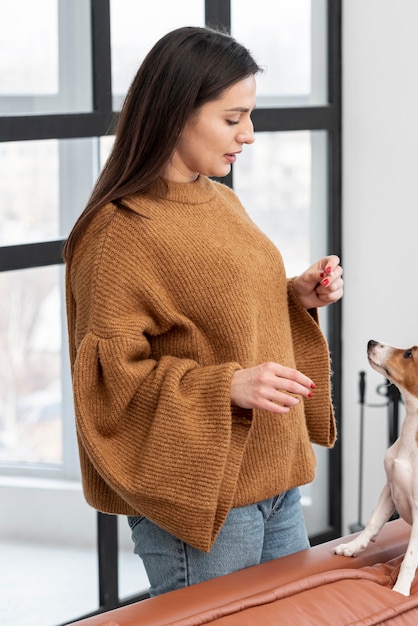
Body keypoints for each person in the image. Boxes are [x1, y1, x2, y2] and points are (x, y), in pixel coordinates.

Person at [63, 25, 343, 597]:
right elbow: (107, 381)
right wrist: (226, 389)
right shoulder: (119, 232)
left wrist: (295, 295)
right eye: (232, 117)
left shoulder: (220, 198)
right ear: (175, 112)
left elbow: (214, 315)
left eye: (250, 116)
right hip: (206, 501)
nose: (250, 135)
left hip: (276, 481)